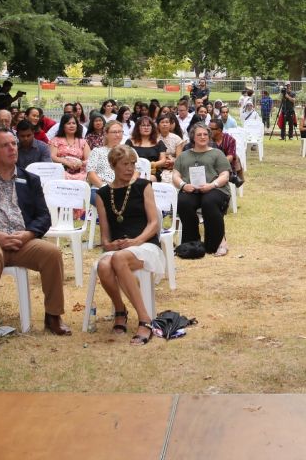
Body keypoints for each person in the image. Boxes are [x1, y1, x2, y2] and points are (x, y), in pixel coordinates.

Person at [0, 128, 71, 349]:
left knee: (52, 253)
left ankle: (53, 316)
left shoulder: (30, 179)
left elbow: (44, 216)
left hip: (21, 240)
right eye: (5, 145)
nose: (12, 149)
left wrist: (28, 234)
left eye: (14, 144)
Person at [93, 144, 164, 345]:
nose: (130, 168)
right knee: (105, 264)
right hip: (120, 250)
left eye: (132, 163)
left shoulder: (143, 185)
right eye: (125, 164)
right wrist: (111, 245)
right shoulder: (103, 194)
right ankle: (120, 310)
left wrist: (136, 241)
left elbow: (154, 223)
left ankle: (145, 319)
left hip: (146, 245)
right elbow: (105, 238)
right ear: (113, 166)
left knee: (118, 259)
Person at [171, 123, 232, 257]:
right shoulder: (184, 155)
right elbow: (175, 174)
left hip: (216, 189)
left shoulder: (217, 153)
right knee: (183, 202)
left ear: (209, 136)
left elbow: (225, 175)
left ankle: (216, 244)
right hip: (191, 189)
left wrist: (212, 185)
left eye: (205, 134)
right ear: (193, 137)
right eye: (199, 134)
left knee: (209, 202)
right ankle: (192, 244)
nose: (202, 137)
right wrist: (183, 185)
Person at [87, 120, 130, 188]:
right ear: (106, 134)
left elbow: (137, 171)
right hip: (101, 188)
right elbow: (91, 174)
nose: (118, 135)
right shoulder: (97, 152)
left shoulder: (129, 151)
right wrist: (105, 188)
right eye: (114, 132)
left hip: (125, 188)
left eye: (120, 132)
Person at [49, 112, 90, 181]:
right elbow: (52, 156)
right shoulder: (56, 140)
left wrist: (81, 163)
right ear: (63, 126)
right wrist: (66, 162)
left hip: (80, 173)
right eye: (68, 123)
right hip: (61, 172)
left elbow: (89, 159)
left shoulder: (82, 142)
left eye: (74, 123)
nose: (72, 126)